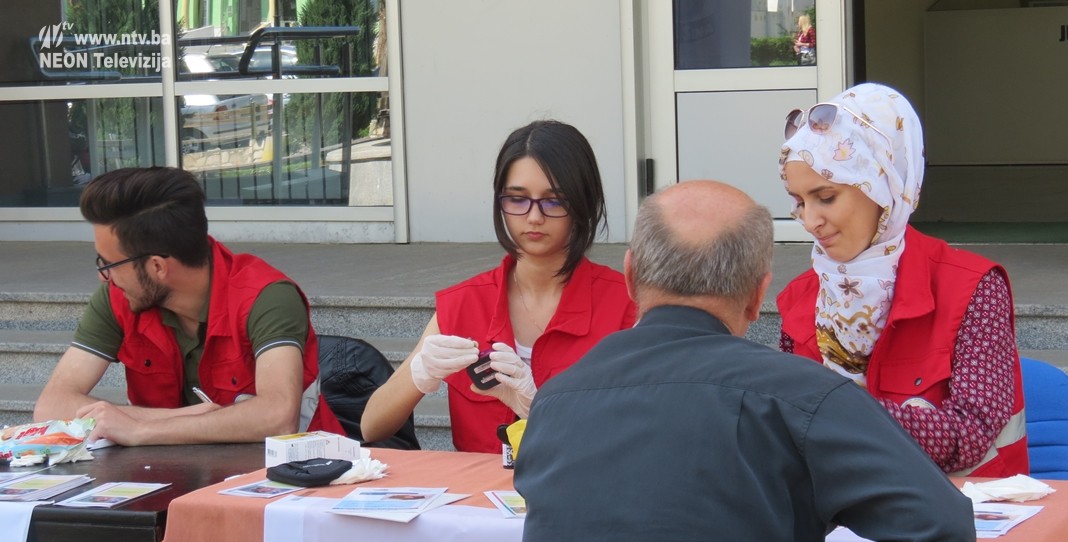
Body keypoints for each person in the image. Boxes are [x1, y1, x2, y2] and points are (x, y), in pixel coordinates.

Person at [515, 180, 975, 542]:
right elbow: (939, 526)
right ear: (758, 296)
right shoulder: (804, 397)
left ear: (630, 276)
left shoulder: (554, 402)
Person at [777, 82, 1028, 477]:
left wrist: (839, 411)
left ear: (885, 184)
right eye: (798, 201)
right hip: (838, 509)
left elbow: (971, 435)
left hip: (961, 509)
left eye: (826, 197)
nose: (810, 221)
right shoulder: (800, 297)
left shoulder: (972, 287)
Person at [361, 120, 637, 453]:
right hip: (479, 487)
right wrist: (420, 374)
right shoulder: (464, 303)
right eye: (517, 199)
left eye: (554, 201)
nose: (534, 217)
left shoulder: (626, 307)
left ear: (584, 203)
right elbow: (371, 426)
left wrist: (537, 406)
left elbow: (640, 436)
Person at [33, 167, 345, 445]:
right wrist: (168, 419)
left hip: (296, 475)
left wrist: (140, 429)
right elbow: (51, 406)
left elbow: (277, 416)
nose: (104, 277)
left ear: (157, 266)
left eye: (109, 264)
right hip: (170, 474)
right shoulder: (119, 297)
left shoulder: (266, 298)